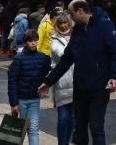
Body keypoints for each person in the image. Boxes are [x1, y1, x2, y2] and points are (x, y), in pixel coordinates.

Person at [39, 0, 116, 145]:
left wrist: (115, 77)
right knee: (80, 129)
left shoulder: (104, 25)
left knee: (96, 126)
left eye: (71, 14)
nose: (70, 18)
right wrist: (48, 82)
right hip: (80, 87)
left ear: (81, 11)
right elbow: (66, 60)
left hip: (99, 86)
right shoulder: (77, 30)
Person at [9, 29, 52, 145]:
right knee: (19, 129)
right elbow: (13, 80)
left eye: (35, 40)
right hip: (21, 100)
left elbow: (47, 75)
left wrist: (45, 85)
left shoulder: (42, 57)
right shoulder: (19, 58)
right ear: (25, 42)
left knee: (33, 128)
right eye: (30, 41)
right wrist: (14, 103)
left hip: (34, 98)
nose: (33, 43)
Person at [48, 13, 75, 145]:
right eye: (61, 24)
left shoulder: (76, 36)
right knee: (63, 118)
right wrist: (72, 43)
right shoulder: (54, 38)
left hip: (76, 82)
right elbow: (61, 53)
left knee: (72, 120)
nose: (64, 26)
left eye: (65, 23)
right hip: (62, 83)